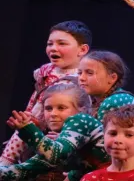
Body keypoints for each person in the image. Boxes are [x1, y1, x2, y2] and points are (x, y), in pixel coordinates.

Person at [1, 20, 91, 166]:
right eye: (50, 44)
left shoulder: (83, 81)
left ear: (82, 50)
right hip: (36, 127)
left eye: (62, 44)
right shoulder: (46, 71)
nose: (53, 48)